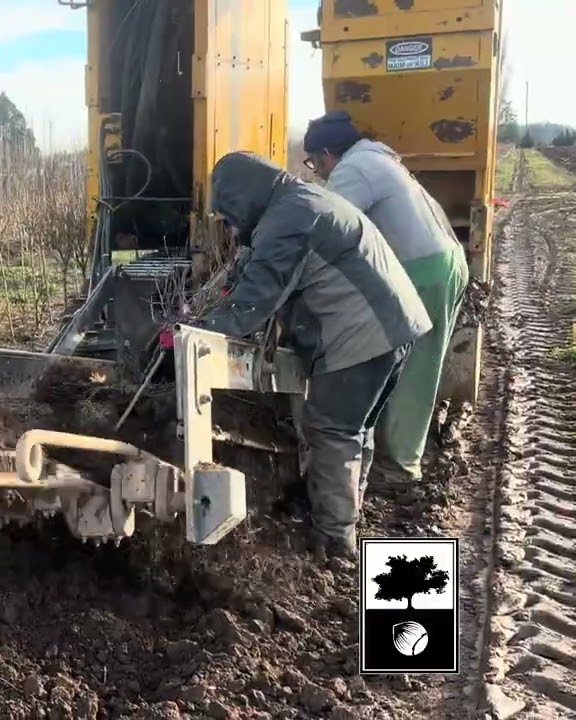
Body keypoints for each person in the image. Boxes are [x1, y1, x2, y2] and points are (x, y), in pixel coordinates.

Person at [198, 151, 432, 559]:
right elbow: (251, 268)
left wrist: (193, 334)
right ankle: (345, 514)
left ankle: (335, 541)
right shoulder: (299, 201)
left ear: (242, 198)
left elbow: (253, 301)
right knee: (355, 428)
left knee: (331, 430)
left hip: (363, 334)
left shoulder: (290, 219)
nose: (231, 228)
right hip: (393, 326)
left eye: (230, 216)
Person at [303, 111, 470, 495]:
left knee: (411, 367)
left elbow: (327, 227)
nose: (318, 173)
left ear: (328, 153)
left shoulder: (353, 170)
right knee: (415, 363)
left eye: (315, 163)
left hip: (424, 269)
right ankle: (398, 456)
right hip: (441, 262)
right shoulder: (376, 159)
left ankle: (397, 469)